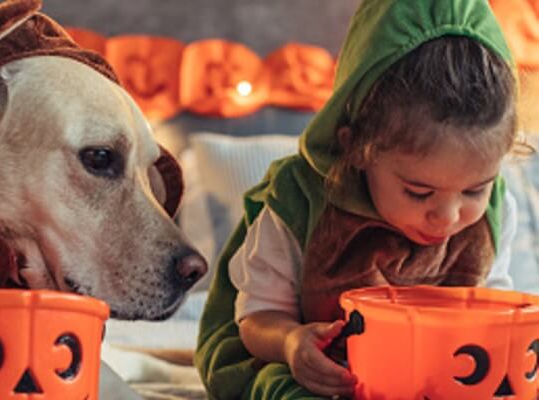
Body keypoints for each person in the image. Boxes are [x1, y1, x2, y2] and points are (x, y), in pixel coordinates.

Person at [194, 0, 528, 398]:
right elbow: (257, 319)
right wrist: (291, 343)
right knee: (281, 389)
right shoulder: (298, 203)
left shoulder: (495, 212)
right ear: (356, 150)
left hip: (437, 368)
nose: (448, 215)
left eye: (475, 189)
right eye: (418, 192)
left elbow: (491, 312)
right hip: (311, 366)